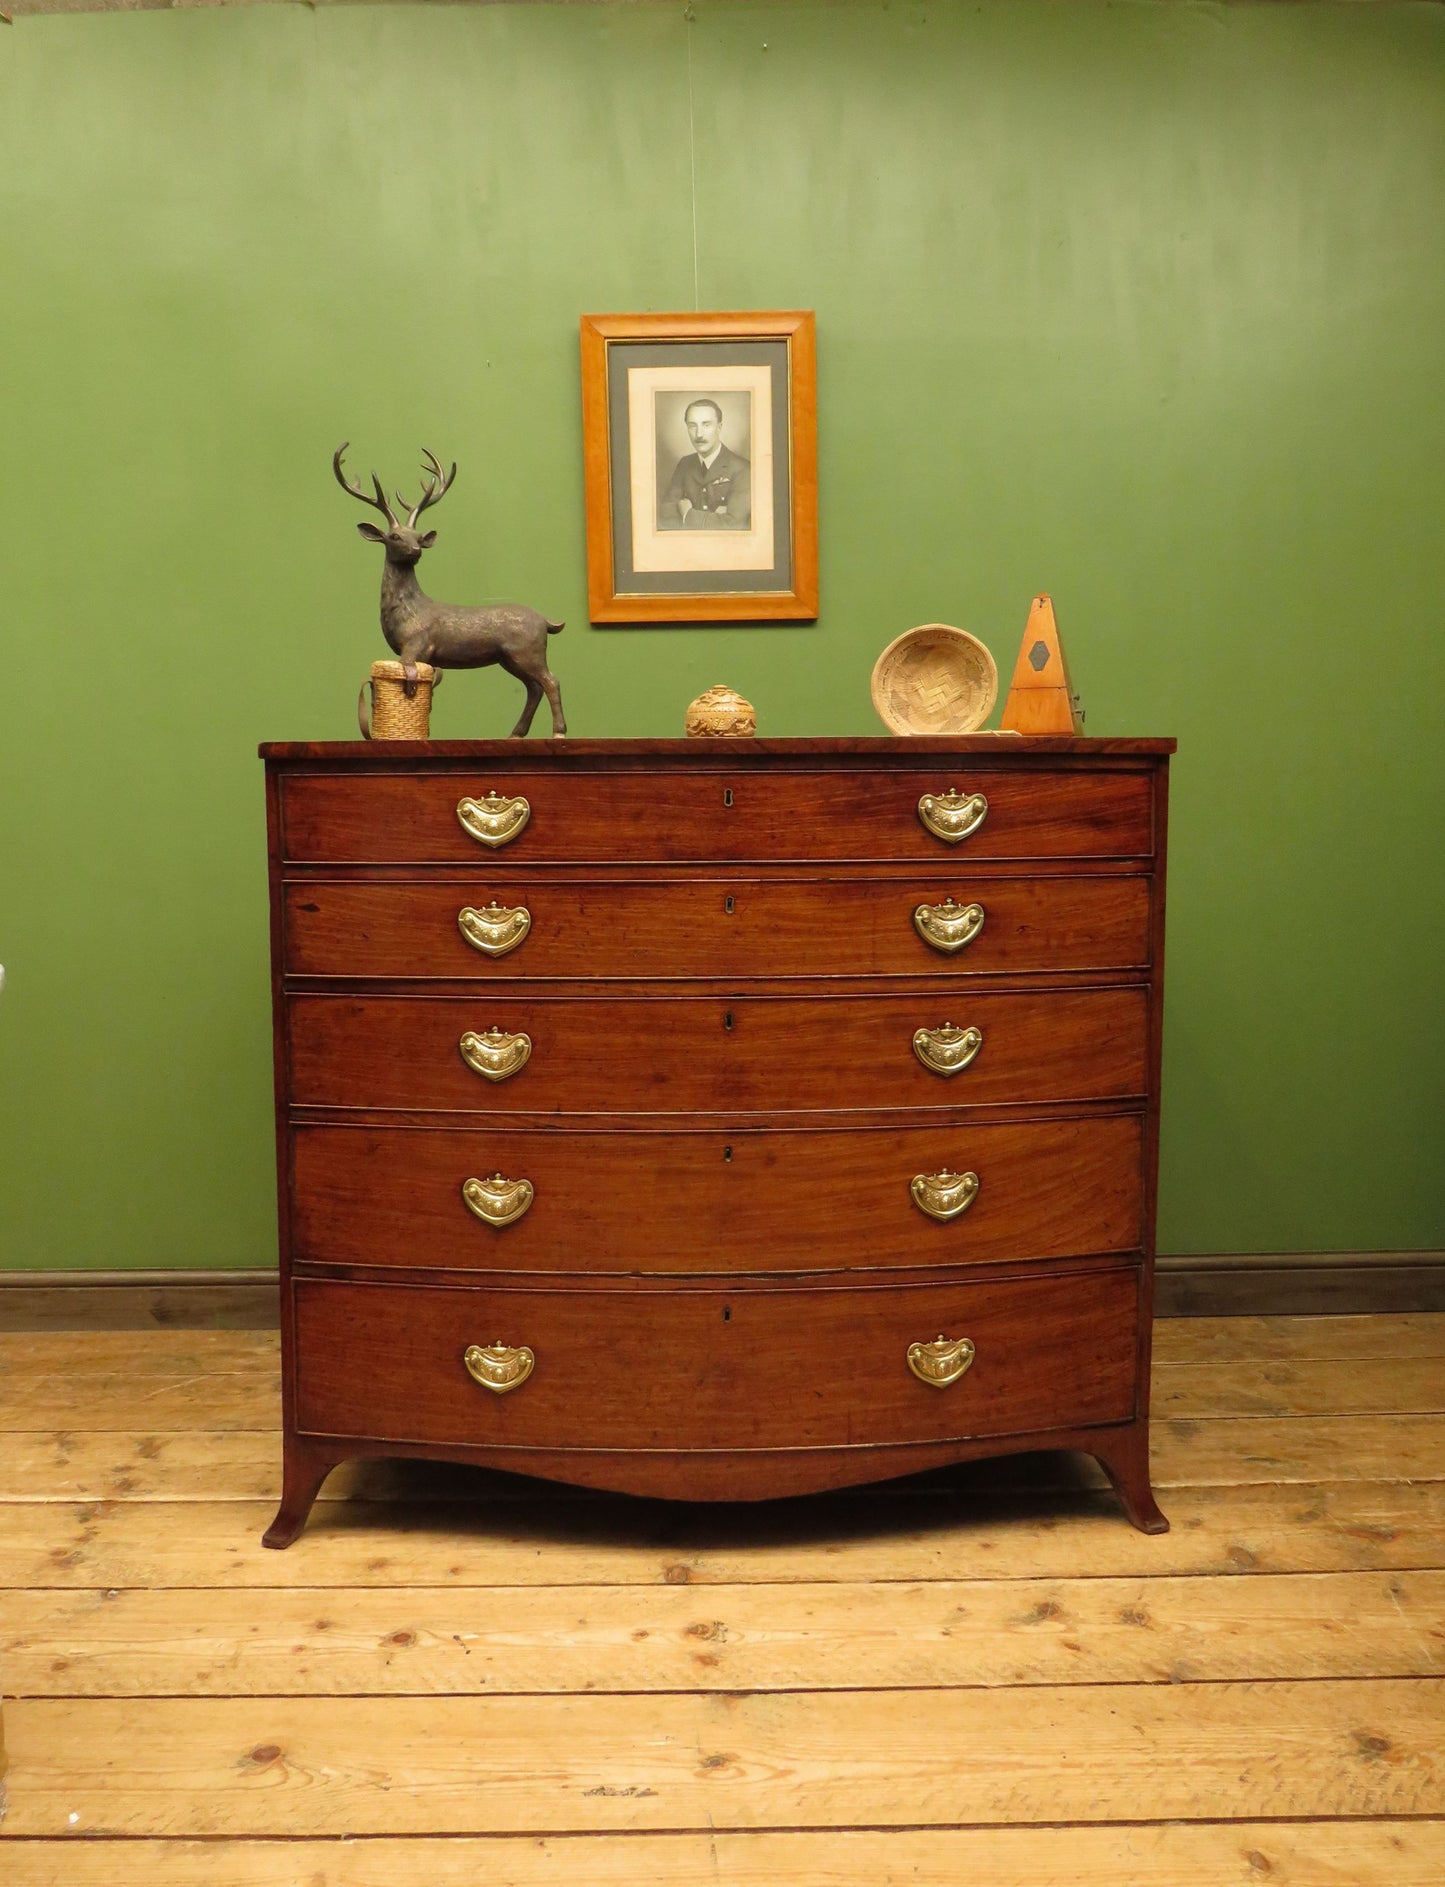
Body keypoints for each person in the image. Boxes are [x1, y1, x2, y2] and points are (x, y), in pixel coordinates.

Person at [659, 398, 751, 529]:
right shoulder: (685, 464)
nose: (699, 434)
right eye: (692, 426)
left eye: (706, 425)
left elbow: (734, 525)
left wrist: (687, 514)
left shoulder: (743, 469)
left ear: (719, 427)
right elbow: (666, 517)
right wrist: (715, 518)